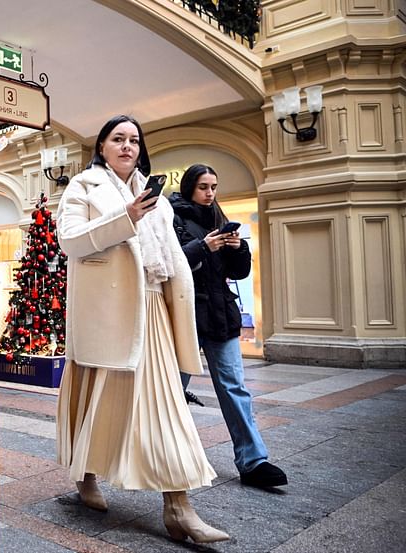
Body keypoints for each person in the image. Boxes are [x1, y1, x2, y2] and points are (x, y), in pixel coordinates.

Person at [56, 115, 229, 544]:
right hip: (105, 312)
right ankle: (85, 476)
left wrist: (179, 307)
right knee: (95, 395)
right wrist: (125, 216)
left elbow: (169, 257)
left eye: (134, 140)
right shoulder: (83, 186)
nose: (127, 146)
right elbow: (71, 240)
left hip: (151, 312)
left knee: (164, 406)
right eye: (118, 139)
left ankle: (179, 506)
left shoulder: (159, 199)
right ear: (101, 147)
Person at [169, 163, 288, 489]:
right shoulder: (172, 217)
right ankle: (166, 457)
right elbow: (169, 265)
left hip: (221, 314)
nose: (210, 193)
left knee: (235, 388)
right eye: (204, 187)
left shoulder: (219, 218)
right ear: (190, 187)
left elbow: (237, 274)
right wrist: (203, 247)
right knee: (172, 392)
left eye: (214, 187)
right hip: (185, 316)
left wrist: (240, 248)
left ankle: (253, 462)